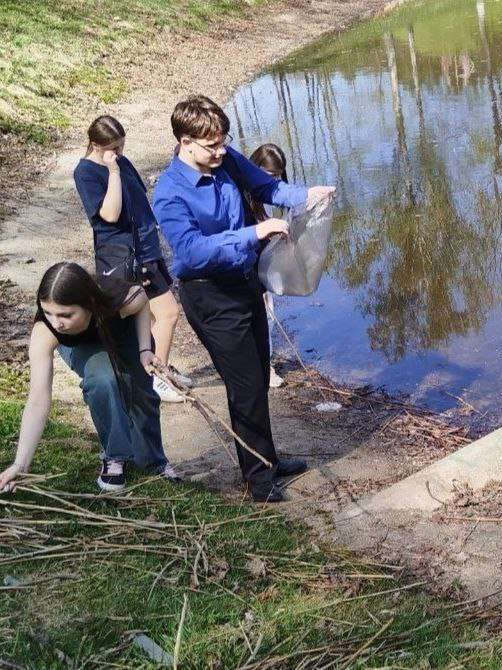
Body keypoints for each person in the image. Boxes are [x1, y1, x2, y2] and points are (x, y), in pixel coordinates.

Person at [151, 95, 335, 502]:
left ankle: (266, 460)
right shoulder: (169, 193)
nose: (221, 151)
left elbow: (268, 186)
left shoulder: (227, 160)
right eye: (211, 146)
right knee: (245, 385)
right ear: (185, 142)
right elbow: (192, 252)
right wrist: (254, 232)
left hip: (246, 283)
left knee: (257, 379)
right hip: (210, 295)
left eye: (224, 141)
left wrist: (308, 195)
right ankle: (258, 480)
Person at [0, 263, 179, 494]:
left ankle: (154, 461)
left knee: (140, 394)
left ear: (88, 304)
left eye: (66, 314)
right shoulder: (46, 330)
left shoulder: (115, 298)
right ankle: (114, 457)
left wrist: (145, 349)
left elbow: (143, 300)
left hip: (121, 329)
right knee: (103, 379)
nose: (56, 322)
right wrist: (20, 464)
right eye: (48, 312)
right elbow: (37, 399)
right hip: (85, 345)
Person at [73, 115, 191, 403]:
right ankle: (157, 378)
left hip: (147, 249)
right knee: (168, 313)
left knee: (150, 316)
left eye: (122, 146)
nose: (119, 152)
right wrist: (113, 172)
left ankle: (156, 367)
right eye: (113, 148)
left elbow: (140, 203)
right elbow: (110, 214)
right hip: (124, 256)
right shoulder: (86, 173)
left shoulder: (122, 161)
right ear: (95, 145)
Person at [248, 143, 290, 389]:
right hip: (249, 269)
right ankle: (265, 369)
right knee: (263, 317)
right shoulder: (244, 196)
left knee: (268, 316)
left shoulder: (268, 197)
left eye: (278, 176)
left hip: (263, 268)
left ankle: (264, 363)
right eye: (270, 175)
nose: (274, 181)